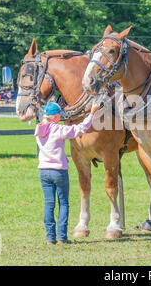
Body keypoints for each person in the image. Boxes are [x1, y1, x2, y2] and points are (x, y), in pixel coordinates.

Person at [35, 101, 99, 244]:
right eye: (59, 116)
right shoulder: (58, 130)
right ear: (56, 116)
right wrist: (92, 113)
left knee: (49, 204)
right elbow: (80, 128)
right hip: (59, 172)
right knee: (63, 204)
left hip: (44, 172)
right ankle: (62, 237)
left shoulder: (38, 130)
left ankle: (50, 237)